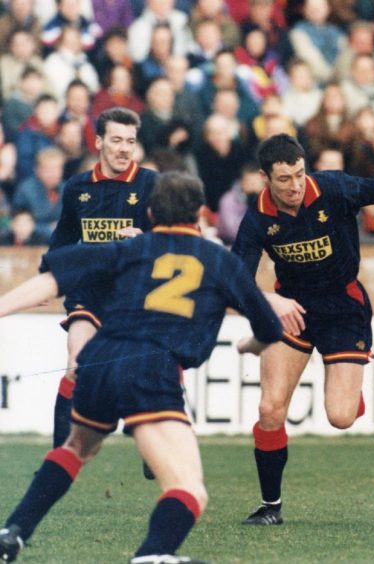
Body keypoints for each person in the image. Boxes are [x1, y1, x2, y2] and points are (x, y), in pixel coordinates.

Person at [0, 171, 285, 564]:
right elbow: (270, 328)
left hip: (99, 359)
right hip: (151, 368)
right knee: (189, 489)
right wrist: (248, 345)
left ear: (151, 212)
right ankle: (153, 554)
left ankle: (12, 532)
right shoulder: (218, 259)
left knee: (77, 445)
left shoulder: (131, 248)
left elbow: (52, 280)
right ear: (199, 214)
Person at [231, 134, 374, 525]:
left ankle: (350, 390)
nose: (294, 186)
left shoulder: (333, 187)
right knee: (270, 408)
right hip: (293, 309)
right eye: (284, 179)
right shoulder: (256, 217)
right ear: (264, 178)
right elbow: (236, 279)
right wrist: (271, 301)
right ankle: (270, 507)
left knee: (341, 417)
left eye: (299, 174)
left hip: (344, 308)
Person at [43, 107, 157, 450]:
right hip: (90, 292)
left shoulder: (152, 184)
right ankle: (58, 458)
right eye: (117, 140)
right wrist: (46, 277)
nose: (124, 148)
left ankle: (153, 441)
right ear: (99, 142)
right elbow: (63, 239)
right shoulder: (77, 187)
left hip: (135, 294)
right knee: (76, 365)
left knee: (145, 377)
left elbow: (178, 236)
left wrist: (144, 237)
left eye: (131, 142)